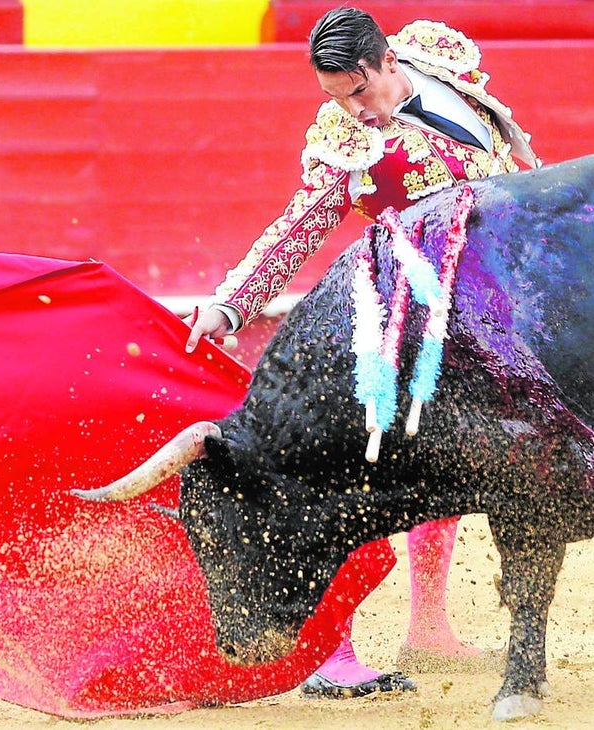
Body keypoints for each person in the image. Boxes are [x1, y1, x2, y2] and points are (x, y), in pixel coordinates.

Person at [185, 7, 539, 699]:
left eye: (358, 91)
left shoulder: (438, 60)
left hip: (487, 320)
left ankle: (430, 627)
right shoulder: (345, 143)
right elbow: (298, 227)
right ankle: (330, 651)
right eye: (335, 98)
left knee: (450, 467)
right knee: (356, 484)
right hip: (401, 327)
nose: (354, 110)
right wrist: (231, 304)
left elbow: (517, 158)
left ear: (385, 63)